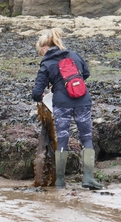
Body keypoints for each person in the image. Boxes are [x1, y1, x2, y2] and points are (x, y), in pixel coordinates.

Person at [31, 28, 104, 190]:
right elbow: (85, 73)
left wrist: (51, 90)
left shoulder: (47, 62)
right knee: (86, 137)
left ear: (44, 48)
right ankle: (88, 178)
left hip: (61, 104)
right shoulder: (74, 55)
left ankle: (60, 181)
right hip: (82, 100)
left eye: (39, 52)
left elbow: (36, 92)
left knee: (62, 138)